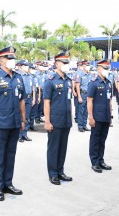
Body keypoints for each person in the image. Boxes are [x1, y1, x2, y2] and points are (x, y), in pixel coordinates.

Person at [0, 47, 25, 201]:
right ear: (2, 60)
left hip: (14, 123)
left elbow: (22, 100)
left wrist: (22, 119)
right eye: (10, 58)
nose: (12, 61)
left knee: (11, 155)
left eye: (13, 58)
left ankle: (8, 183)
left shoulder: (18, 78)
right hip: (0, 124)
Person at [43, 52, 73, 186]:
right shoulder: (50, 81)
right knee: (54, 148)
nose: (66, 65)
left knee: (63, 147)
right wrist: (47, 121)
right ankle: (53, 173)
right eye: (64, 63)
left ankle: (60, 171)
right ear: (56, 64)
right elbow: (47, 102)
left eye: (67, 62)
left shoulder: (68, 80)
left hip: (66, 120)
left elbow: (69, 100)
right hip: (55, 120)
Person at [87, 60, 113, 173]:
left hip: (106, 116)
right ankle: (94, 162)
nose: (107, 71)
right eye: (104, 68)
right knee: (95, 139)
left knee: (102, 140)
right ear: (98, 69)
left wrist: (111, 115)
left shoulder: (109, 83)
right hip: (97, 117)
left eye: (108, 68)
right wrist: (91, 117)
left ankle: (101, 160)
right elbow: (89, 101)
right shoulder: (93, 83)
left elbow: (110, 100)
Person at [19, 61, 35, 142]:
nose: (27, 67)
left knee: (27, 117)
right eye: (25, 66)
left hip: (29, 98)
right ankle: (19, 135)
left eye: (27, 66)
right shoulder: (19, 76)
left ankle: (24, 134)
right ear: (21, 67)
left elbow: (33, 88)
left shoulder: (30, 76)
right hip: (22, 98)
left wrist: (33, 99)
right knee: (21, 117)